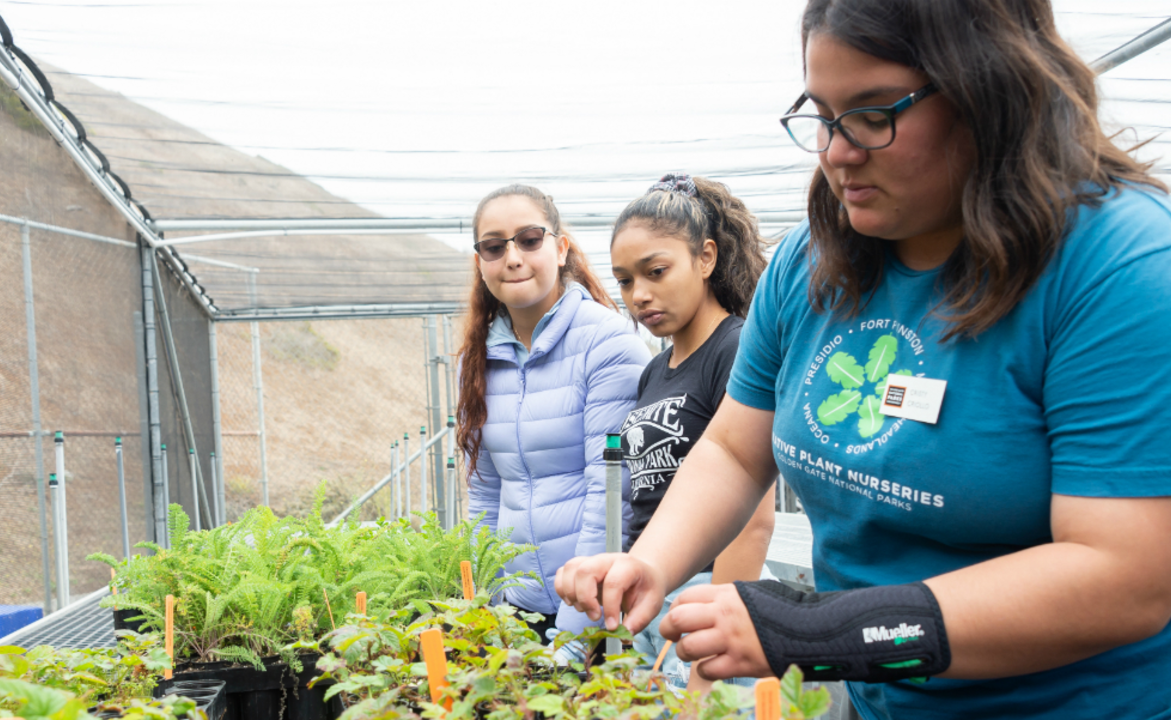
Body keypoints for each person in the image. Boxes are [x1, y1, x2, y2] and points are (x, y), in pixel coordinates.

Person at [554, 0, 1171, 718]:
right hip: (877, 697)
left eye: (875, 113)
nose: (837, 152)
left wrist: (814, 628)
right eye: (823, 113)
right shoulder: (810, 262)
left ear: (991, 93)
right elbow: (732, 448)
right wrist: (650, 562)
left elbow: (1124, 578)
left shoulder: (1117, 265)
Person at [460, 184, 651, 641]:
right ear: (480, 261)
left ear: (560, 248)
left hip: (594, 611)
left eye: (529, 239)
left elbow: (610, 498)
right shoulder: (481, 360)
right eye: (493, 246)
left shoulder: (606, 344)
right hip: (515, 615)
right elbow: (485, 498)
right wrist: (480, 608)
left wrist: (574, 636)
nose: (513, 257)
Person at [609, 173, 776, 692]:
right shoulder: (655, 371)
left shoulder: (736, 350)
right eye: (625, 280)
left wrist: (710, 666)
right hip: (656, 598)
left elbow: (753, 520)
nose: (640, 294)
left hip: (713, 602)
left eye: (656, 271)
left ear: (706, 258)